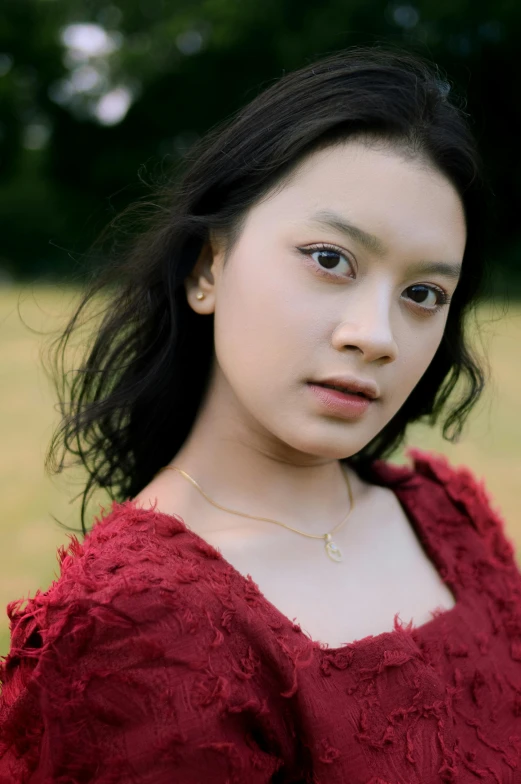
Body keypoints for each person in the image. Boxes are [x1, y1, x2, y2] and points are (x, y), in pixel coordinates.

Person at [0, 45, 520, 784]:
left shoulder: (450, 521)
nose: (374, 335)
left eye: (422, 294)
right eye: (330, 259)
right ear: (208, 267)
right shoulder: (131, 633)